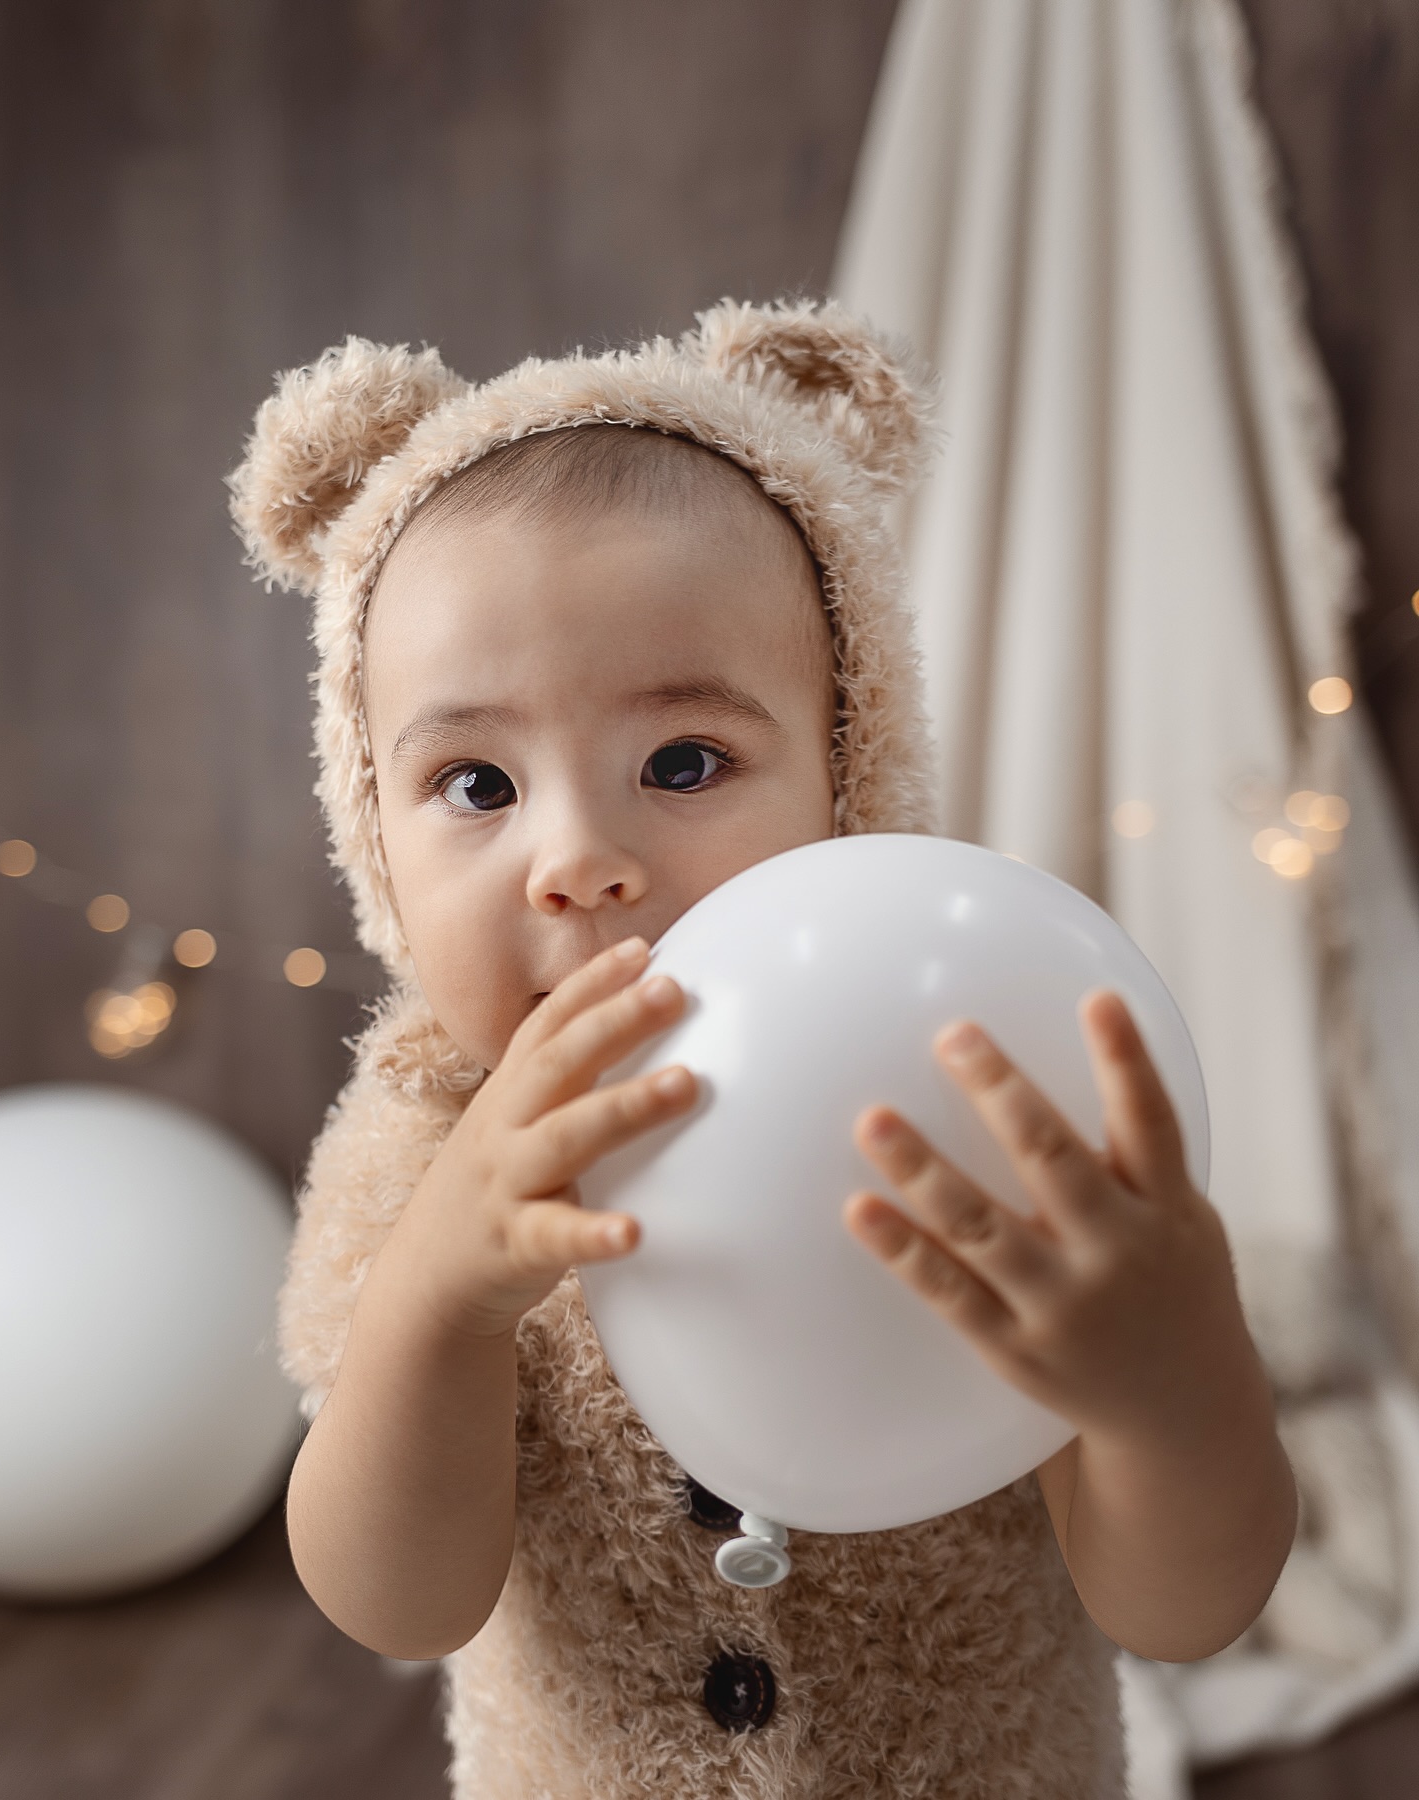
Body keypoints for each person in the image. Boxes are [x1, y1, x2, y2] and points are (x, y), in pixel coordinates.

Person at [229, 301, 1296, 1798]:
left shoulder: (962, 1080)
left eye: (683, 763)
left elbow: (1183, 1608)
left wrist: (1169, 1386)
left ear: (848, 775)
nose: (579, 860)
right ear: (375, 837)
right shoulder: (424, 1145)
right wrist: (437, 1303)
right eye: (477, 782)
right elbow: (392, 1601)